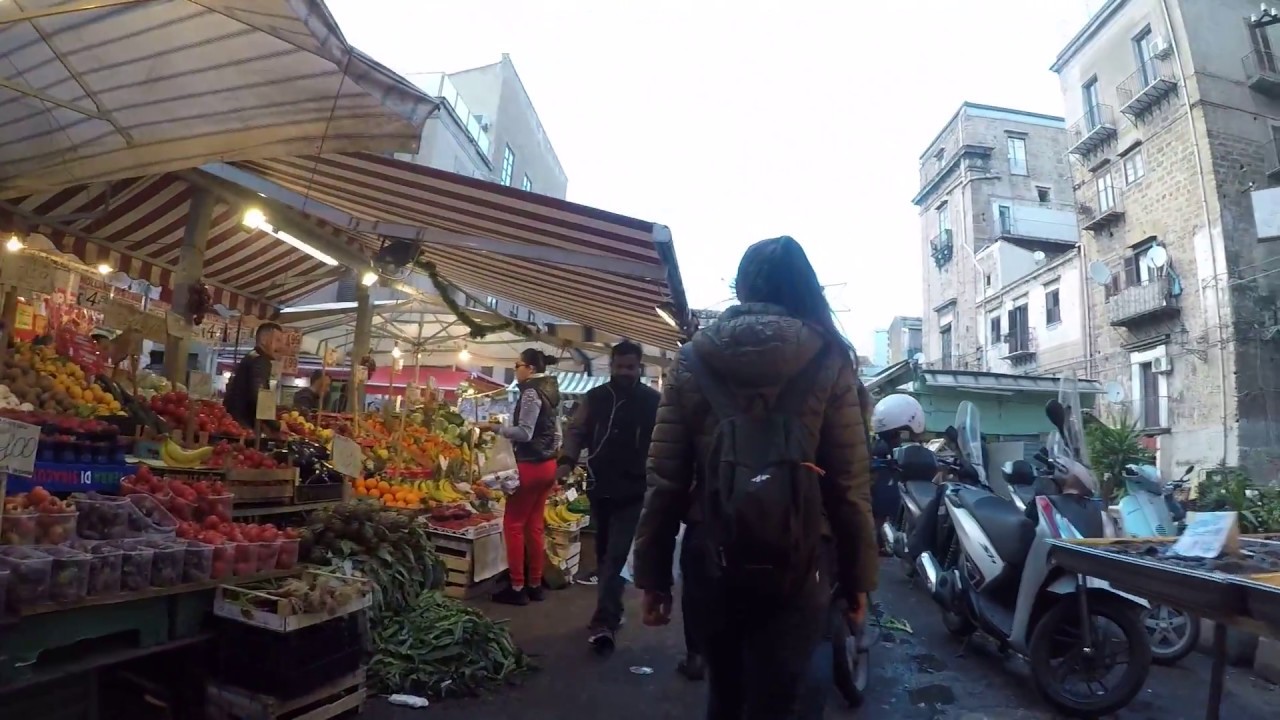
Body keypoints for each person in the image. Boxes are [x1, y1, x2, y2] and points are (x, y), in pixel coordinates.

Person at [632, 235, 878, 720]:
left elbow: (665, 480)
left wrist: (654, 577)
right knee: (782, 697)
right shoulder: (829, 358)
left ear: (741, 287)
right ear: (804, 287)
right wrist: (858, 582)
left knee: (724, 694)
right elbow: (849, 486)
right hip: (803, 559)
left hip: (712, 556)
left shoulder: (692, 359)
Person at [556, 341, 660, 652]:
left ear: (639, 367)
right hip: (600, 487)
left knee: (615, 556)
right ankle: (611, 609)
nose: (625, 373)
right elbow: (576, 431)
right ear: (611, 366)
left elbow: (665, 442)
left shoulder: (653, 402)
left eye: (630, 367)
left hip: (634, 490)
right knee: (602, 555)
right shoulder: (595, 398)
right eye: (619, 367)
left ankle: (605, 621)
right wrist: (566, 461)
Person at [480, 349, 562, 606]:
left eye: (517, 365)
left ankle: (517, 587)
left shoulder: (530, 392)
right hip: (548, 466)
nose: (516, 370)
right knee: (534, 525)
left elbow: (524, 433)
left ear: (528, 368)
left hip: (529, 465)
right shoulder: (552, 391)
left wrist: (495, 428)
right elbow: (557, 435)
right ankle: (535, 583)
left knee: (514, 525)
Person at [223, 322, 282, 427]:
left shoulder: (251, 356)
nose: (280, 346)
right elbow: (260, 395)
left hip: (234, 422)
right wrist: (276, 425)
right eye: (277, 340)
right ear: (263, 340)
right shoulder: (261, 361)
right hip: (244, 426)